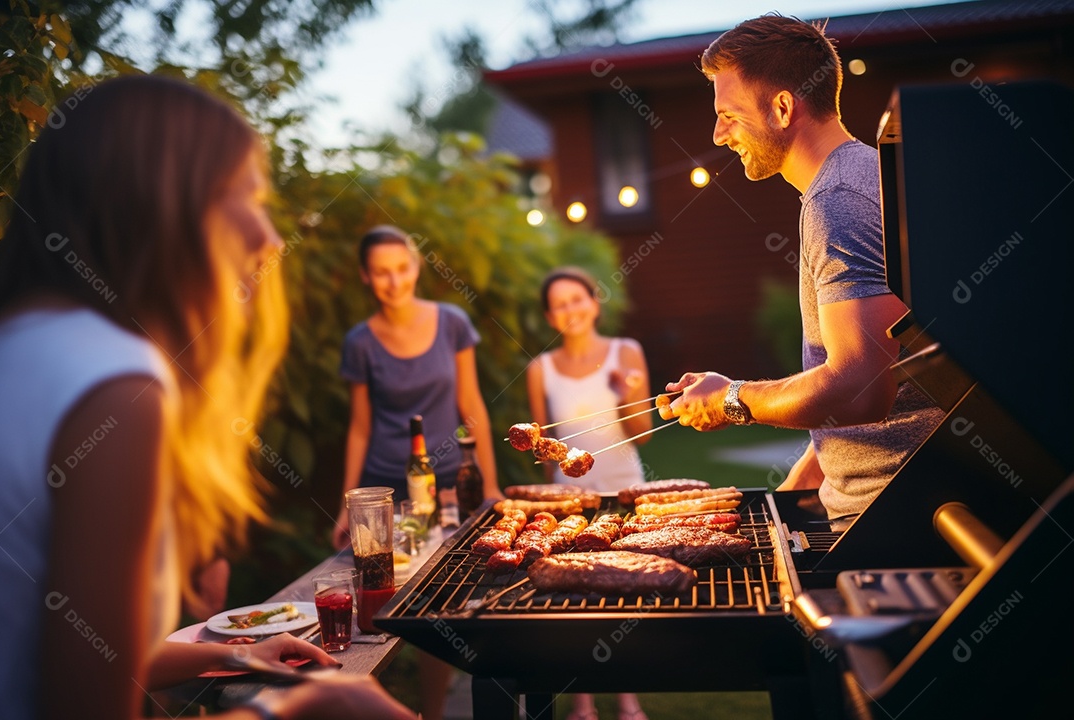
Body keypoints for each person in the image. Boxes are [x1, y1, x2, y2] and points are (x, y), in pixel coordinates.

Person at [0, 75, 416, 720]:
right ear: (165, 204)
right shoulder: (118, 384)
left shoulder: (26, 344)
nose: (269, 237)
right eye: (246, 196)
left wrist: (239, 656)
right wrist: (303, 712)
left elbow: (81, 654)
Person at [663, 14, 944, 524]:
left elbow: (862, 386)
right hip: (881, 499)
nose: (719, 133)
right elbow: (898, 367)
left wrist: (732, 399)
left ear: (783, 106)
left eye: (728, 114)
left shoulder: (836, 200)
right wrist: (801, 484)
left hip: (893, 513)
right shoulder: (862, 176)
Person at [332, 224, 503, 720]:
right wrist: (350, 503)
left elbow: (472, 405)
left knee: (440, 608)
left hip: (450, 489)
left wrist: (488, 483)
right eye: (381, 272)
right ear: (366, 277)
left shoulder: (451, 323)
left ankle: (430, 711)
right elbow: (360, 427)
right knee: (377, 611)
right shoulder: (360, 342)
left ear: (416, 266)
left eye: (401, 268)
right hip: (387, 501)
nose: (394, 281)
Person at [526, 266, 650, 720]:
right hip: (570, 500)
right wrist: (546, 456)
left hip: (624, 490)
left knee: (624, 593)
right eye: (559, 304)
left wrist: (622, 397)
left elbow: (643, 435)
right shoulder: (540, 369)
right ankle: (581, 701)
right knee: (575, 599)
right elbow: (541, 449)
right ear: (550, 316)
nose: (570, 310)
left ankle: (626, 698)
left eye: (576, 299)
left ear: (594, 302)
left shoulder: (626, 353)